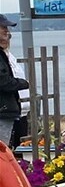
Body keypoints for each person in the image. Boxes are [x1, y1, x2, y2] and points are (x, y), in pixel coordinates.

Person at [0, 14, 29, 149]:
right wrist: (23, 83)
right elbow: (4, 82)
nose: (7, 31)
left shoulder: (6, 55)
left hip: (13, 110)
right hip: (3, 111)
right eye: (3, 27)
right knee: (2, 151)